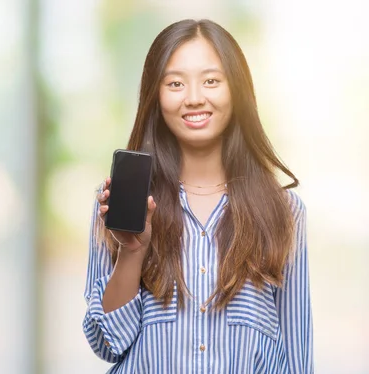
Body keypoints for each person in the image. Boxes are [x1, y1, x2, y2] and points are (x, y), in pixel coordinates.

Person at [82, 19, 313, 373]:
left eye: (211, 81)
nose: (193, 98)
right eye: (175, 83)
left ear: (236, 90)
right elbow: (108, 343)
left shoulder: (283, 211)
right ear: (155, 96)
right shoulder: (121, 200)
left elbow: (297, 352)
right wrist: (132, 251)